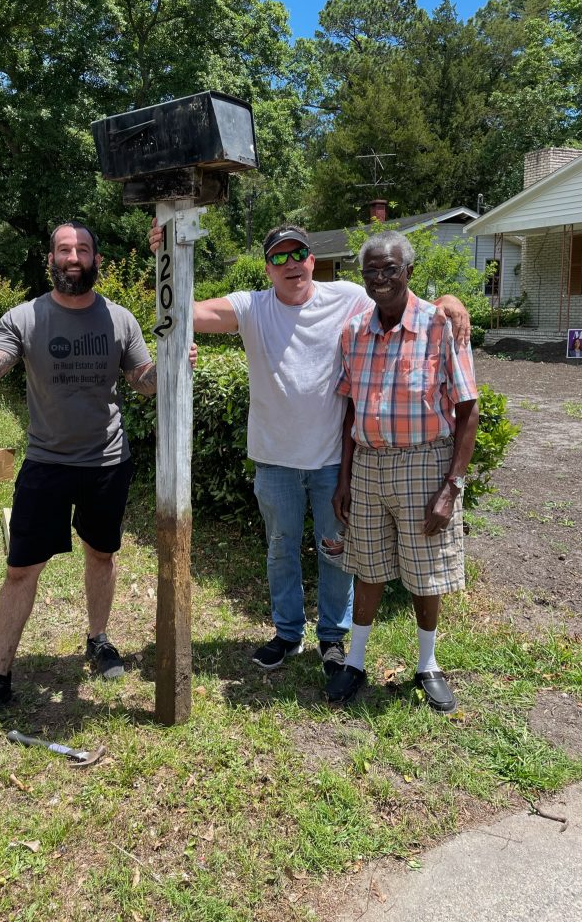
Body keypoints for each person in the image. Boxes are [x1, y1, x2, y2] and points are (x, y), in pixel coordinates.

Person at [149, 220, 471, 677]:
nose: (290, 264)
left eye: (297, 253)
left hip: (331, 462)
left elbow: (401, 299)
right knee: (280, 548)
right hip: (274, 459)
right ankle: (287, 633)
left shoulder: (347, 296)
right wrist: (164, 259)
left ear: (311, 260)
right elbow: (182, 310)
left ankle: (333, 640)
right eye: (278, 257)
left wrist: (451, 301)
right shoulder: (252, 306)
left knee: (336, 549)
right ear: (267, 268)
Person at [0, 221, 181, 728]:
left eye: (83, 249)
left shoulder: (119, 319)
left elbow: (143, 382)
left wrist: (172, 362)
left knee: (101, 555)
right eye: (65, 249)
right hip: (45, 463)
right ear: (50, 259)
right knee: (21, 568)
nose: (73, 257)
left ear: (96, 261)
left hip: (107, 461)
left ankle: (98, 639)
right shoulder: (25, 317)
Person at [327, 231, 479, 713]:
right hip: (369, 464)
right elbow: (350, 410)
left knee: (424, 573)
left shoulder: (440, 325)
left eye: (389, 269)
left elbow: (468, 409)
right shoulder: (354, 332)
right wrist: (345, 479)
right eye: (371, 271)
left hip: (423, 463)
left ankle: (428, 664)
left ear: (408, 271)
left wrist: (451, 487)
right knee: (365, 566)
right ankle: (354, 662)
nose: (380, 279)